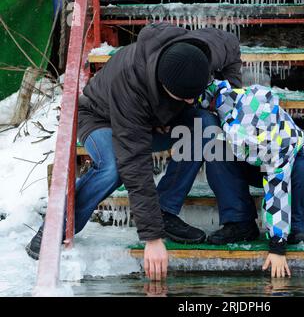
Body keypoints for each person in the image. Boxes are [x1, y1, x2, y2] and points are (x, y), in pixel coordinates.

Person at [26, 22, 246, 281]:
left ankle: (165, 210)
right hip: (102, 117)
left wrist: (232, 96)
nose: (191, 101)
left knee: (204, 124)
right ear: (164, 86)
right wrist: (152, 238)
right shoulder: (130, 83)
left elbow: (231, 45)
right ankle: (56, 228)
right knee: (113, 167)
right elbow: (135, 164)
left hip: (156, 119)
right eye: (184, 97)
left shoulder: (204, 50)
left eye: (193, 95)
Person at [199, 80, 304, 277]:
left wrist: (277, 246)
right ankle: (240, 222)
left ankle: (294, 226)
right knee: (215, 150)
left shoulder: (280, 140)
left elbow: (277, 189)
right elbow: (213, 88)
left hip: (289, 164)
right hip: (253, 162)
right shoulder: (229, 100)